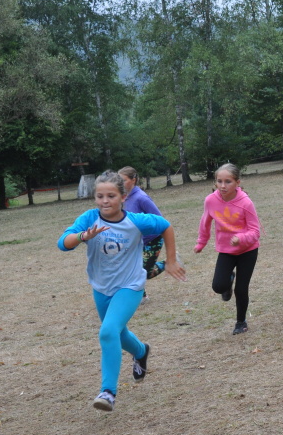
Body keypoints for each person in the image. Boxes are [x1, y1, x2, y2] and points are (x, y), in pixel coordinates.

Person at [58, 170, 187, 412]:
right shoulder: (89, 218)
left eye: (111, 196)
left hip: (130, 286)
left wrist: (170, 261)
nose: (105, 201)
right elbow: (63, 243)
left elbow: (165, 226)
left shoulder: (136, 221)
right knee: (118, 332)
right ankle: (141, 351)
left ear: (123, 197)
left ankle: (108, 392)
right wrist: (82, 236)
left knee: (108, 332)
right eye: (100, 196)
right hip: (101, 287)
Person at [194, 164, 261, 335]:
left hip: (248, 250)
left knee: (241, 289)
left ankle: (241, 322)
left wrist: (241, 238)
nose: (223, 186)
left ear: (237, 183)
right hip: (226, 250)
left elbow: (255, 231)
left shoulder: (246, 202)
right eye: (219, 181)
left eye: (228, 182)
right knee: (218, 286)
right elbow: (205, 222)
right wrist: (201, 242)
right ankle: (229, 278)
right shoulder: (211, 200)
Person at [119, 167, 168, 304]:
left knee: (145, 272)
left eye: (123, 180)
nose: (120, 183)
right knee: (131, 269)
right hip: (134, 241)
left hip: (152, 240)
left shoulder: (142, 198)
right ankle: (141, 296)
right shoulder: (123, 198)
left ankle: (168, 263)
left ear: (133, 180)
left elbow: (159, 219)